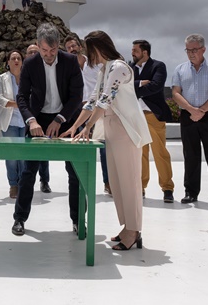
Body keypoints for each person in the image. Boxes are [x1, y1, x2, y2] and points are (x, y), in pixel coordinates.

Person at [61, 31, 151, 251]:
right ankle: (127, 226)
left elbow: (105, 100)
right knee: (117, 183)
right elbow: (92, 101)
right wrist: (75, 127)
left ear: (98, 48)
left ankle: (134, 230)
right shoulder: (104, 70)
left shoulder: (119, 68)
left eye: (88, 49)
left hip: (125, 129)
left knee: (129, 182)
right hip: (111, 129)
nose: (87, 54)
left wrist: (88, 127)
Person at [12, 23, 83, 236]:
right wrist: (31, 121)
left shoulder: (70, 61)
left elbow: (76, 96)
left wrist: (60, 119)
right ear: (38, 45)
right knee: (28, 172)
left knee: (75, 172)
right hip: (38, 119)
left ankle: (78, 220)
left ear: (58, 45)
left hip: (66, 119)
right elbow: (22, 97)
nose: (49, 55)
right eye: (44, 50)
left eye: (53, 50)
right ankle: (19, 219)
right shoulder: (30, 63)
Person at [171, 33, 208, 206]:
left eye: (194, 50)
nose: (191, 53)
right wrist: (191, 110)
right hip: (188, 116)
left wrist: (201, 110)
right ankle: (190, 192)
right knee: (190, 155)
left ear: (203, 49)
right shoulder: (180, 69)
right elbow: (175, 93)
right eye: (188, 50)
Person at [131, 40, 175, 203]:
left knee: (160, 153)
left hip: (153, 115)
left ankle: (167, 188)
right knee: (140, 154)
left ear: (145, 52)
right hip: (136, 116)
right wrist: (140, 83)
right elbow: (123, 87)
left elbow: (156, 86)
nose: (132, 53)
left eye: (135, 50)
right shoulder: (131, 68)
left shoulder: (158, 66)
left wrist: (135, 88)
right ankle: (140, 187)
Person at [65, 35, 107, 194]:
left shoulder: (95, 64)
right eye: (68, 47)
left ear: (80, 47)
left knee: (103, 146)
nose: (72, 49)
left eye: (73, 46)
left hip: (97, 108)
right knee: (79, 146)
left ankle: (108, 182)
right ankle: (81, 181)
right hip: (78, 110)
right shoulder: (67, 68)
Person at [0, 50, 25, 198]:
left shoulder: (28, 77)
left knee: (24, 156)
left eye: (18, 58)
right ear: (8, 62)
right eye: (13, 58)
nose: (16, 60)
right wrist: (15, 104)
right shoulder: (2, 78)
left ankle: (23, 184)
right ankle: (13, 185)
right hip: (10, 121)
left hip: (25, 121)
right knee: (12, 156)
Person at [26, 43, 51, 192]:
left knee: (43, 152)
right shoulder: (24, 71)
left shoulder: (46, 71)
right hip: (24, 117)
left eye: (36, 52)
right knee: (27, 153)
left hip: (40, 118)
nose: (33, 54)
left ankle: (44, 181)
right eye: (30, 52)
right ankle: (24, 183)